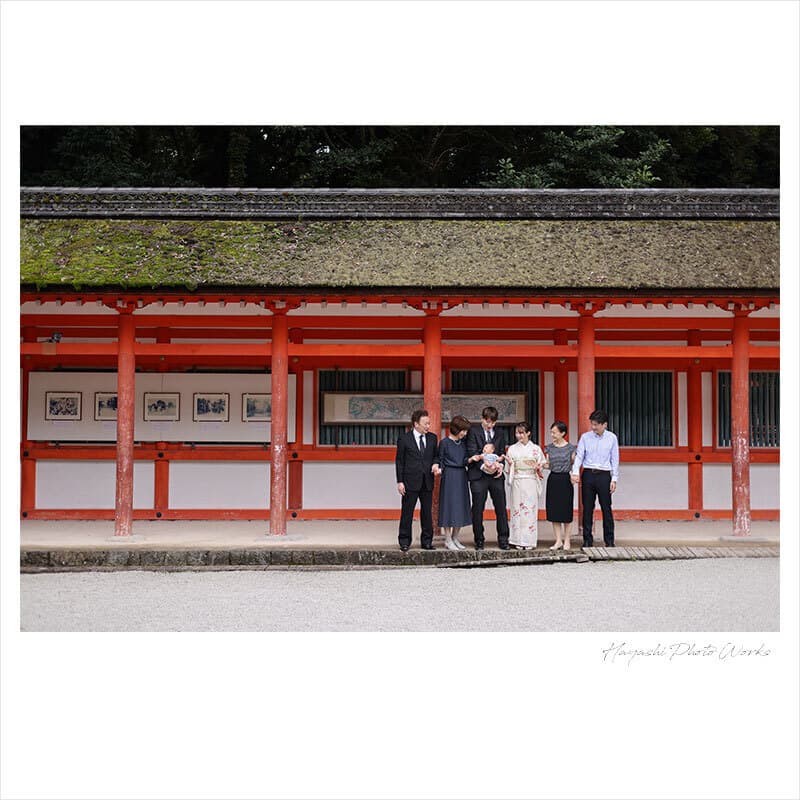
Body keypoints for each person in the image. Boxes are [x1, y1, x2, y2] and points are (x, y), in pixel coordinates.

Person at [571, 409, 619, 547]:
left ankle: (609, 541)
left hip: (604, 475)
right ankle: (587, 540)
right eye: (592, 424)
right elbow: (579, 456)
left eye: (596, 424)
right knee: (587, 508)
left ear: (604, 425)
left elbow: (615, 459)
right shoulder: (585, 437)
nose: (593, 427)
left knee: (606, 508)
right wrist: (575, 472)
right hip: (588, 474)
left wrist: (614, 479)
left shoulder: (612, 438)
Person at [466, 406, 510, 550]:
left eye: (492, 422)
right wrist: (483, 466)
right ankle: (479, 539)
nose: (489, 424)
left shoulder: (500, 433)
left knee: (501, 507)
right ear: (482, 419)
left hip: (496, 476)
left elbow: (502, 452)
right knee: (478, 508)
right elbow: (471, 450)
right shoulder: (473, 431)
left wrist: (499, 465)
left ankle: (503, 539)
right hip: (479, 475)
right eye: (487, 421)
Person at [395, 409, 440, 551]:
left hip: (427, 480)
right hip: (410, 481)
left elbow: (436, 456)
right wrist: (400, 481)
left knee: (427, 513)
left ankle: (427, 541)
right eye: (425, 424)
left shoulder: (432, 438)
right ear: (416, 424)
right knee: (407, 512)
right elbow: (399, 461)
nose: (428, 426)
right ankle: (404, 541)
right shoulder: (404, 439)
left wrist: (435, 463)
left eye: (429, 423)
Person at [437, 415, 477, 551]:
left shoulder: (463, 443)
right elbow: (440, 459)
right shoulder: (444, 443)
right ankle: (448, 539)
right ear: (455, 429)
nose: (465, 433)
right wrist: (439, 469)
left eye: (466, 431)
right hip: (449, 475)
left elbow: (465, 459)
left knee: (461, 506)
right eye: (463, 431)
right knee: (449, 507)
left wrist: (471, 459)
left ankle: (455, 537)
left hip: (461, 474)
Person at [504, 421, 546, 549]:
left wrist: (538, 468)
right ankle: (517, 540)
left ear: (528, 433)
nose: (519, 435)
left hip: (530, 481)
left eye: (522, 433)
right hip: (517, 480)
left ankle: (529, 541)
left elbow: (542, 465)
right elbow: (507, 469)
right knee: (516, 509)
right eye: (517, 433)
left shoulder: (536, 449)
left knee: (530, 510)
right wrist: (511, 464)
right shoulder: (512, 449)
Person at [543, 421, 576, 551]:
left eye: (554, 432)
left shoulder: (571, 448)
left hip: (565, 479)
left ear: (563, 433)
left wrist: (574, 475)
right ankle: (558, 540)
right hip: (553, 479)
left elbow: (574, 464)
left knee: (566, 511)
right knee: (554, 511)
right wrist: (539, 466)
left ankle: (567, 540)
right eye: (551, 432)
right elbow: (548, 464)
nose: (552, 435)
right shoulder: (549, 448)